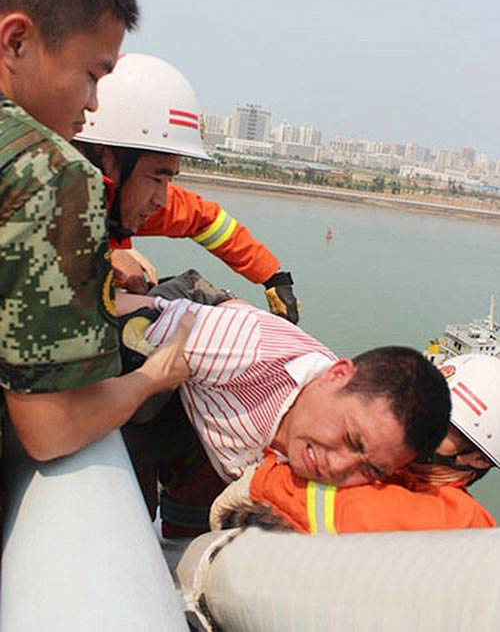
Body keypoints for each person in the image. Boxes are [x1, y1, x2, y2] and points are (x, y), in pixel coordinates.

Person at [0, 0, 190, 462]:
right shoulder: (51, 170)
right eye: (92, 75)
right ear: (16, 40)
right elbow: (51, 430)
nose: (92, 104)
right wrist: (154, 378)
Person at [120, 297, 451, 488]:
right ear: (336, 375)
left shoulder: (371, 444)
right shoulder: (247, 351)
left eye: (370, 470)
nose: (338, 468)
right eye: (351, 439)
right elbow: (131, 312)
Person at [73, 52, 300, 323]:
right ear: (105, 157)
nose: (161, 200)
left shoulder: (123, 197)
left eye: (168, 180)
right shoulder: (40, 207)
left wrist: (272, 276)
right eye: (157, 178)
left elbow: (205, 220)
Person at [210, 353, 498, 533]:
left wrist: (266, 480)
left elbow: (350, 512)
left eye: (442, 426)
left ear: (479, 459)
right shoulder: (402, 474)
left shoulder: (461, 518)